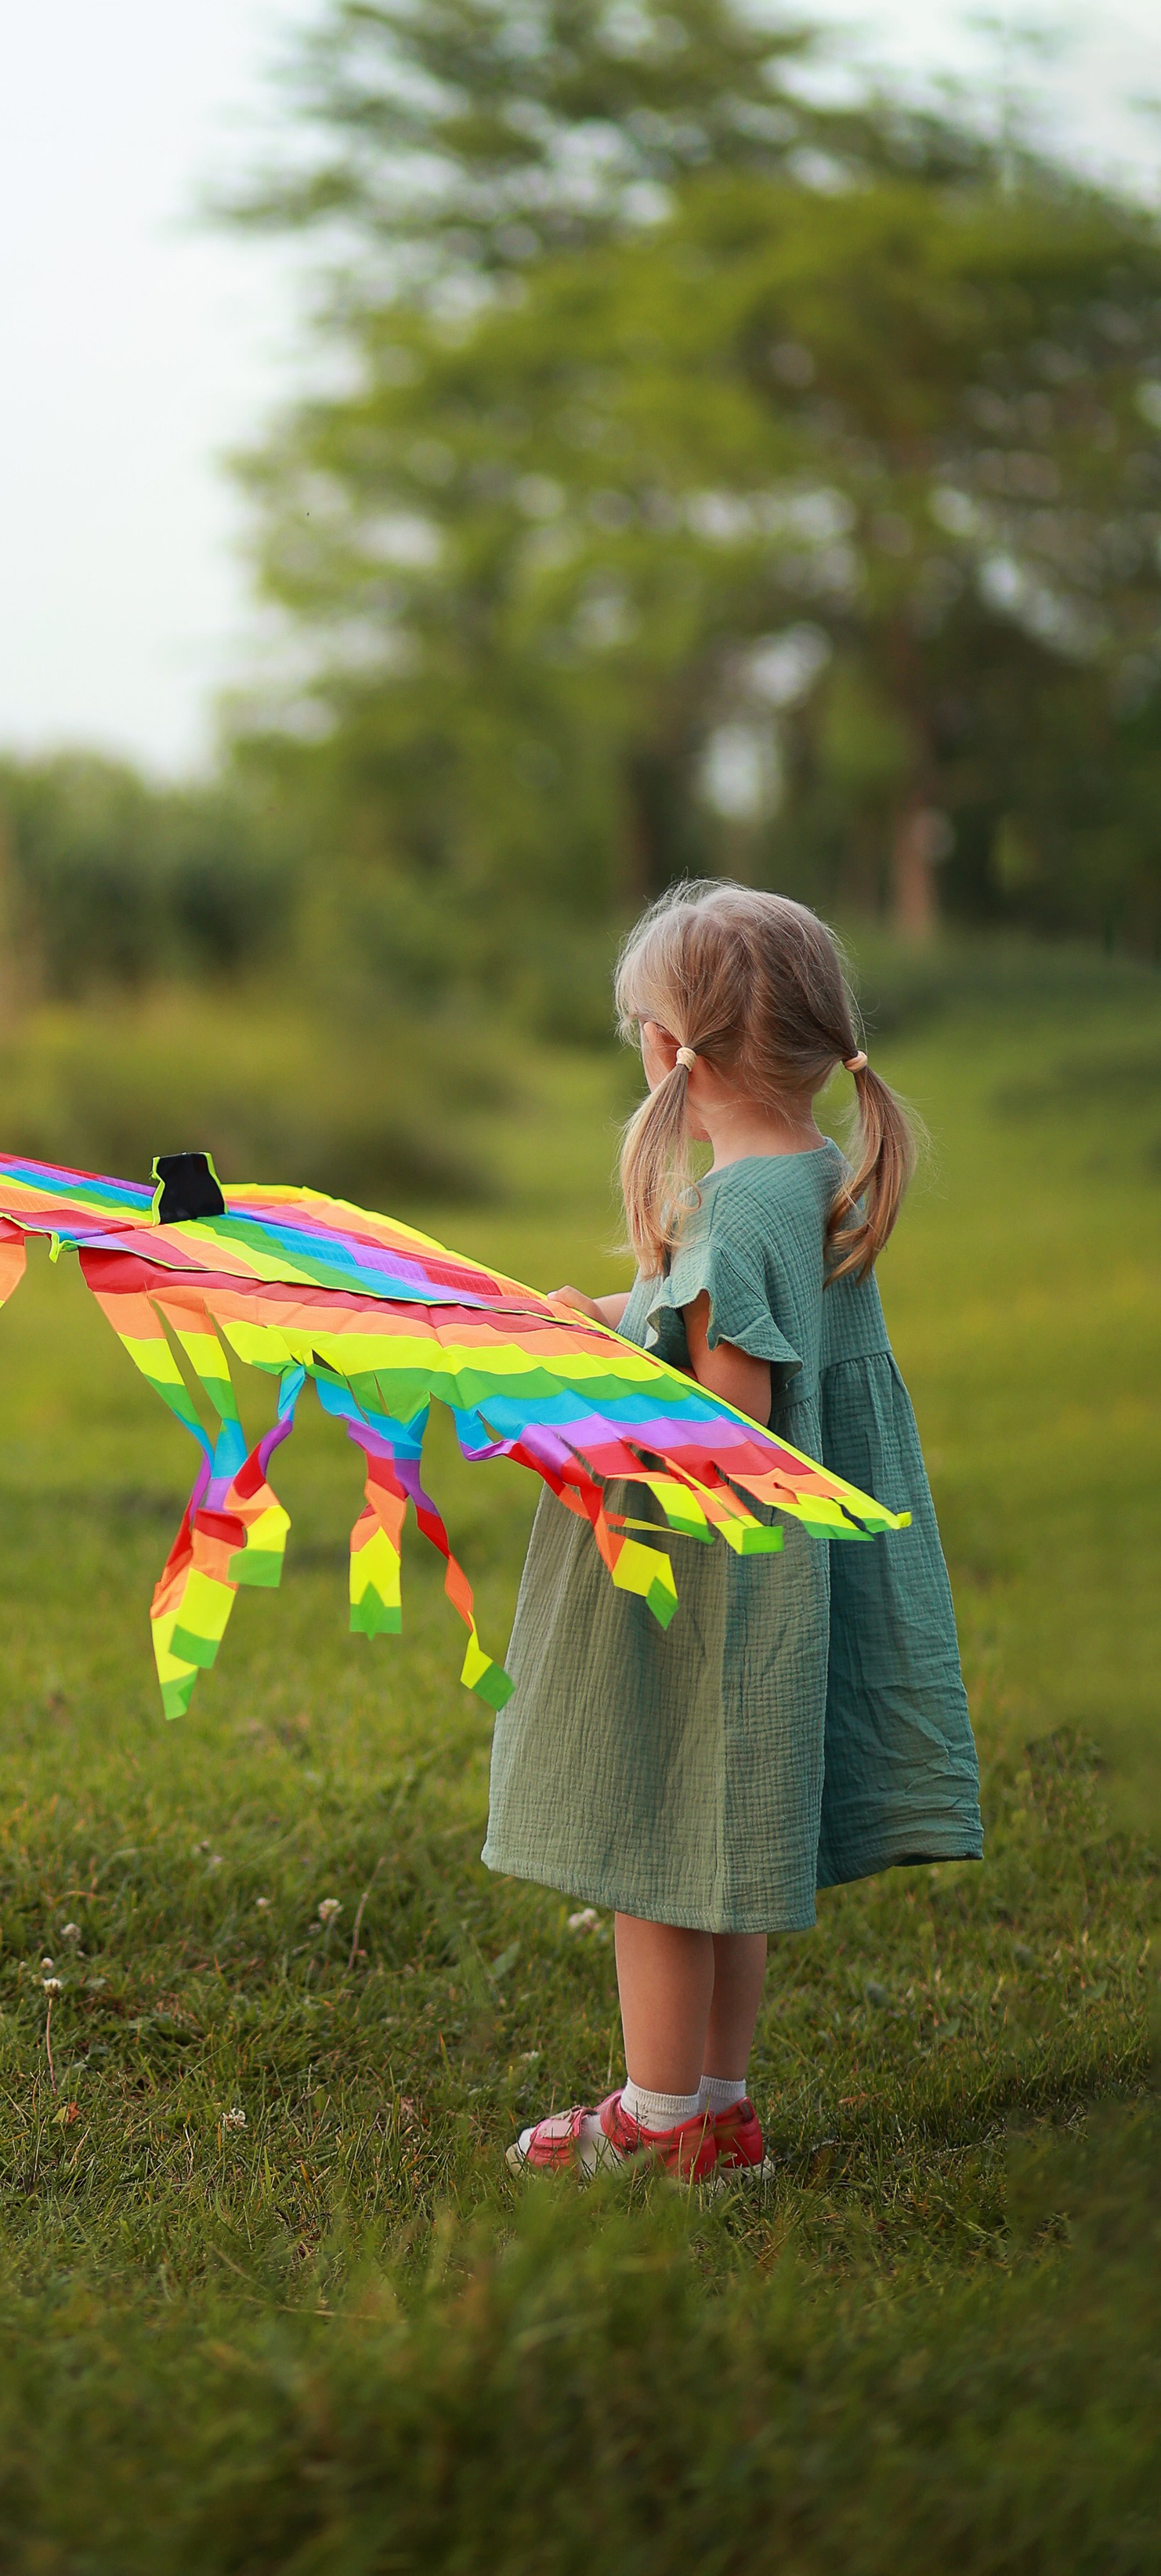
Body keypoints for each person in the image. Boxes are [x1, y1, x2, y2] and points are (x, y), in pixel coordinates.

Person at [484, 879, 982, 2180]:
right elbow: (696, 1314)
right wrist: (605, 1316)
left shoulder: (734, 1209)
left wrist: (584, 1419)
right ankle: (717, 2102)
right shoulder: (804, 1172)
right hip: (777, 1575)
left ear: (668, 1050)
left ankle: (654, 2125)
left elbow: (728, 1425)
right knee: (727, 1841)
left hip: (708, 1580)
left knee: (657, 1841)